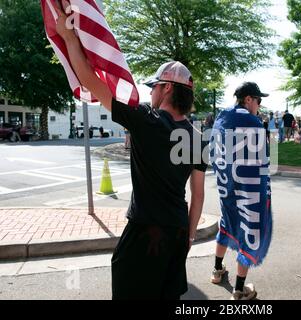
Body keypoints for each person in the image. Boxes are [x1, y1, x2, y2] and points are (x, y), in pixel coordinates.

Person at [55, 5, 207, 300]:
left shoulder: (145, 122)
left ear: (165, 89)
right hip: (177, 232)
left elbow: (88, 79)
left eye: (153, 87)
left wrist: (70, 38)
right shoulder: (198, 138)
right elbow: (198, 195)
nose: (149, 92)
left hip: (144, 233)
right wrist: (189, 236)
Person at [209, 81, 273, 300]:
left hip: (226, 185)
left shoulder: (221, 118)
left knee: (226, 223)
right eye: (258, 101)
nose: (259, 106)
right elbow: (262, 163)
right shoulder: (252, 122)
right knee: (249, 230)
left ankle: (217, 270)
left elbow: (213, 153)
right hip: (247, 190)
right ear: (248, 99)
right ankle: (239, 290)